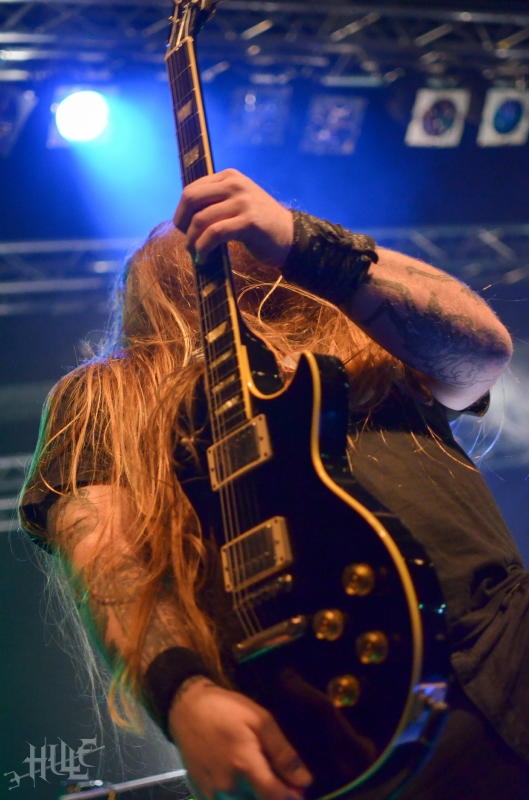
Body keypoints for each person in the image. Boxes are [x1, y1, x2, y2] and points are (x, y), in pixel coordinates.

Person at [20, 169, 529, 799]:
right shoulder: (107, 390)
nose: (213, 236)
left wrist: (301, 239)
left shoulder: (368, 342)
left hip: (505, 648)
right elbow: (106, 550)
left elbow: (483, 354)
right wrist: (183, 691)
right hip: (325, 721)